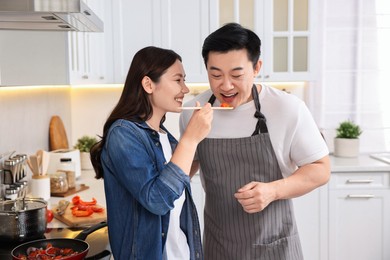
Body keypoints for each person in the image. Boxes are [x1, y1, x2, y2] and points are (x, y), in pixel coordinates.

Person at [179, 23, 330, 260]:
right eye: (215, 75)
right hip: (218, 246)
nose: (225, 86)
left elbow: (321, 169)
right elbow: (186, 168)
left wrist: (272, 191)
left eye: (237, 75)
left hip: (275, 246)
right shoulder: (193, 111)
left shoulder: (287, 108)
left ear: (257, 67)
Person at [90, 46, 213, 260]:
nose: (185, 89)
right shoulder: (123, 133)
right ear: (148, 84)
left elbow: (172, 190)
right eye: (178, 80)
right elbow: (157, 200)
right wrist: (191, 139)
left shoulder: (165, 137)